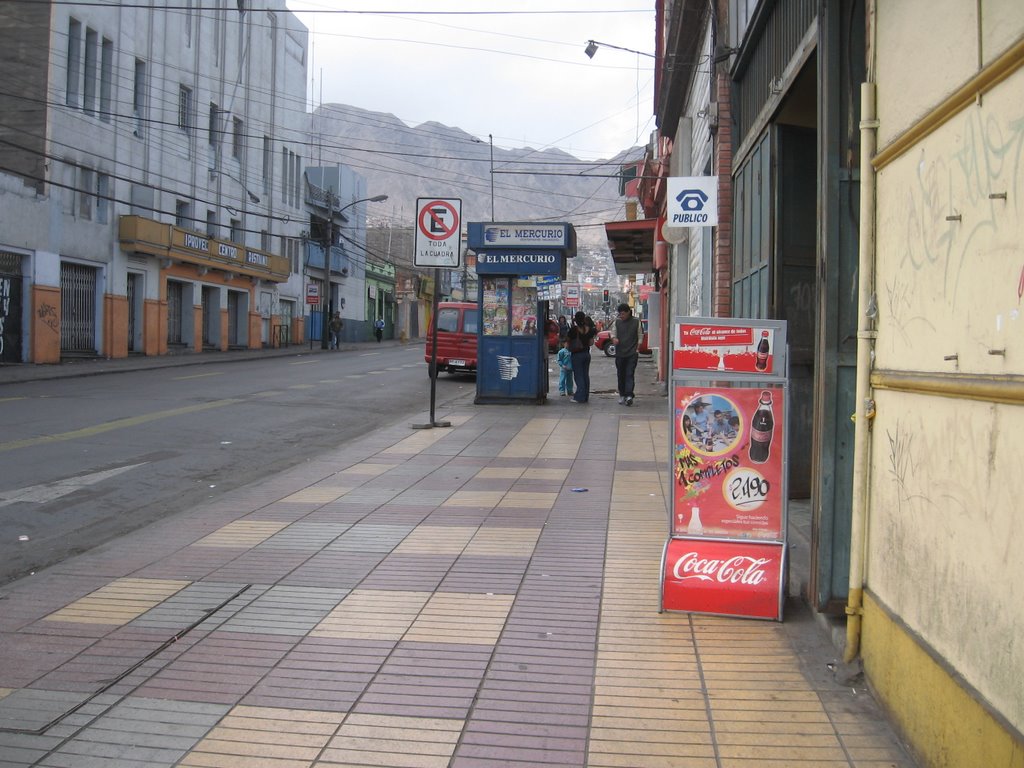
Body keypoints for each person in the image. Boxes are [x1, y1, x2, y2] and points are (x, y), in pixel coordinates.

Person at [612, 303, 640, 406]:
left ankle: (629, 395)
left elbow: (640, 335)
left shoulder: (636, 322)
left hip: (632, 353)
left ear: (628, 312)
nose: (621, 316)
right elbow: (613, 333)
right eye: (620, 314)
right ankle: (622, 394)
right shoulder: (617, 322)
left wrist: (637, 348)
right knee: (621, 374)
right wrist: (614, 338)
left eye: (623, 314)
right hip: (620, 353)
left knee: (629, 374)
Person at [566, 310, 596, 403]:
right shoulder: (589, 329)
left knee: (579, 376)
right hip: (587, 354)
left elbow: (567, 342)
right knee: (585, 375)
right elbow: (591, 342)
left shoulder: (573, 330)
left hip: (577, 355)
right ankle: (585, 396)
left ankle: (579, 397)